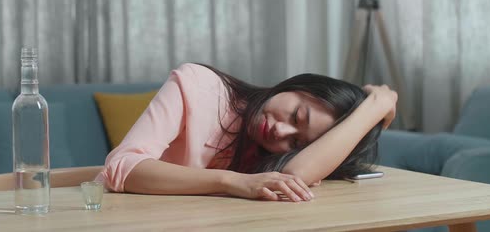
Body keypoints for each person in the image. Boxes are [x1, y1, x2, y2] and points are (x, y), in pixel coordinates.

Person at [96, 63, 397, 202]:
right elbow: (122, 167)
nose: (280, 130)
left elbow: (294, 174)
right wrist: (235, 182)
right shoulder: (198, 86)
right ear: (297, 85)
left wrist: (374, 107)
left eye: (295, 141)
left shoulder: (271, 156)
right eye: (296, 114)